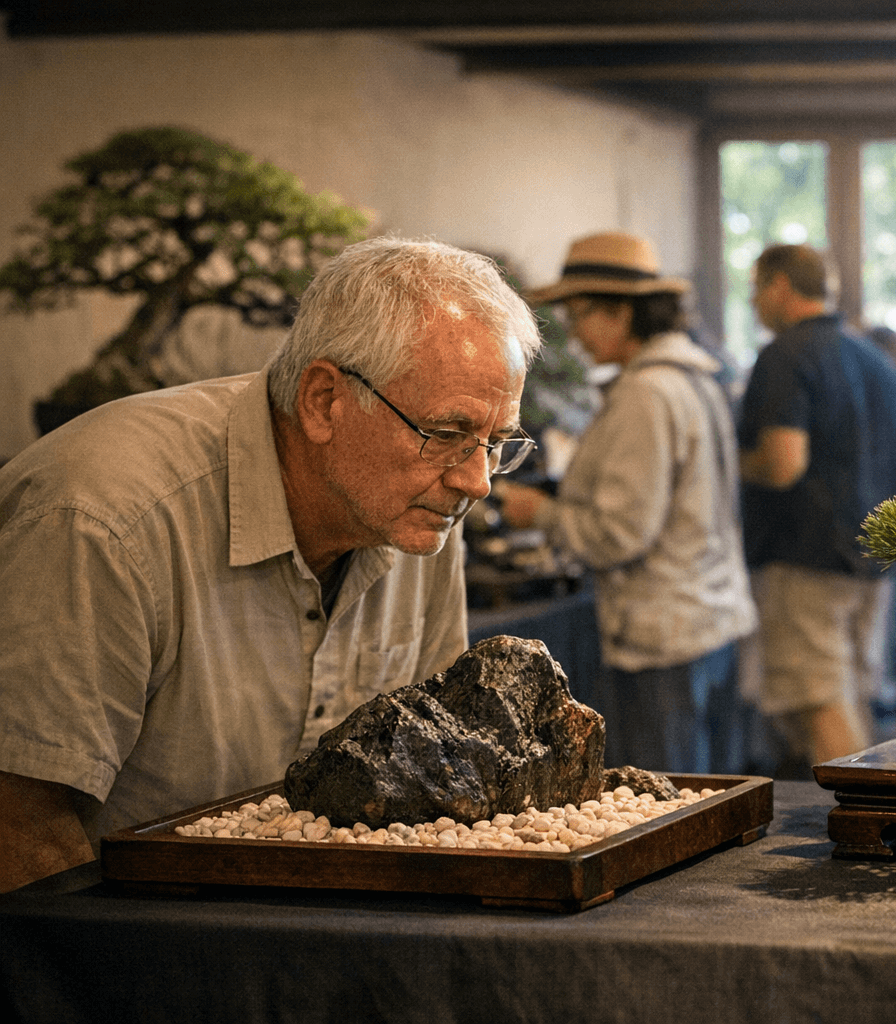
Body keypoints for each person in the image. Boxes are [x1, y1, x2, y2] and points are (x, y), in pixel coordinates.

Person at [0, 237, 541, 892]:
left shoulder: (418, 507)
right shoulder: (103, 521)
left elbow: (429, 763)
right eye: (449, 432)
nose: (479, 481)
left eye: (497, 442)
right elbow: (22, 824)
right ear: (323, 400)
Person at [498, 232, 756, 775]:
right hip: (712, 616)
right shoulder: (694, 378)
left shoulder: (646, 393)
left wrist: (538, 514)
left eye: (577, 314)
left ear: (620, 311)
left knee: (669, 806)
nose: (572, 335)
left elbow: (620, 533)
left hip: (663, 634)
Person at [737, 244, 896, 770]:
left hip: (806, 558)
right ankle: (875, 817)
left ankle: (865, 824)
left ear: (779, 285)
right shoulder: (881, 363)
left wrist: (730, 461)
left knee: (817, 702)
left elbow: (783, 465)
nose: (753, 302)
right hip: (875, 562)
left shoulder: (784, 356)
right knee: (850, 696)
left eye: (755, 288)